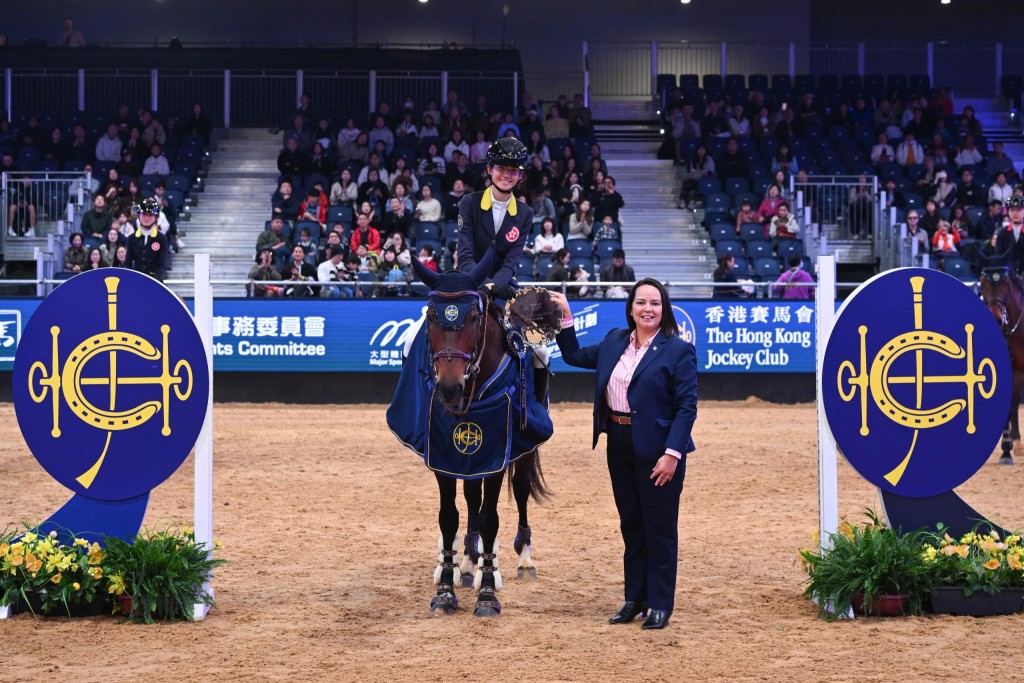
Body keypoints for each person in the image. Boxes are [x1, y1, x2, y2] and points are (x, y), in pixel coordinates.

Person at [548, 280, 697, 631]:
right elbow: (572, 355)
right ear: (630, 307)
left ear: (665, 309)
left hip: (659, 449)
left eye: (655, 303)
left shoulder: (678, 350)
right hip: (618, 442)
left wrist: (672, 454)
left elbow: (686, 408)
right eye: (641, 302)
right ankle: (635, 598)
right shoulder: (616, 340)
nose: (648, 309)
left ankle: (660, 603)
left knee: (658, 527)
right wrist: (566, 317)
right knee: (631, 524)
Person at [455, 137, 534, 299]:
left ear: (520, 176)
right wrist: (486, 284)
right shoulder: (469, 202)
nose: (506, 175)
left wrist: (495, 286)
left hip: (503, 285)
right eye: (501, 168)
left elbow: (510, 262)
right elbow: (465, 257)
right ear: (490, 169)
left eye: (513, 170)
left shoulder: (526, 213)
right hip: (470, 281)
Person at [125, 197, 170, 281]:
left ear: (156, 217)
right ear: (138, 216)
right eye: (144, 214)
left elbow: (162, 264)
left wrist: (154, 281)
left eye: (150, 215)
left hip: (156, 283)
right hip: (136, 281)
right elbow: (128, 263)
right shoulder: (131, 238)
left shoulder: (161, 238)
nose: (147, 218)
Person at [995, 195, 1024, 275]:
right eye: (1012, 210)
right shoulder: (1002, 233)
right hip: (1008, 276)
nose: (1015, 213)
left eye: (1019, 210)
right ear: (1008, 212)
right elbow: (999, 257)